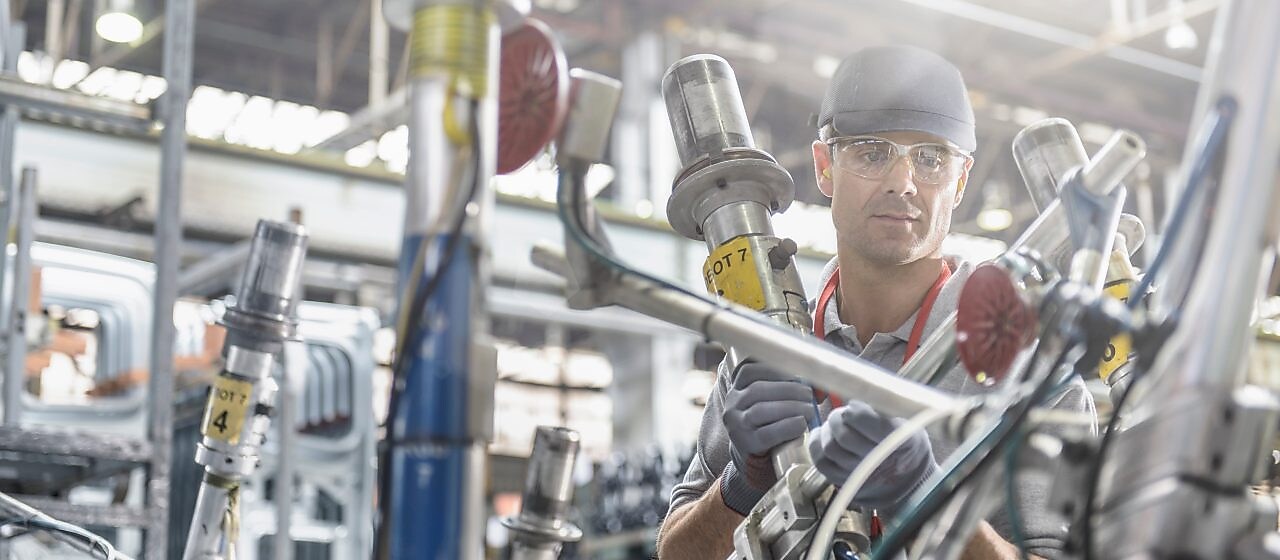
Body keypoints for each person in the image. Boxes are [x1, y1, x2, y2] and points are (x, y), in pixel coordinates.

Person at [655, 45, 1097, 559]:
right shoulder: (765, 345)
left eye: (931, 159)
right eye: (872, 152)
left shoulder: (1030, 363)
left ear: (960, 182)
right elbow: (674, 553)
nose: (902, 183)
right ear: (824, 166)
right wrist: (740, 484)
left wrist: (925, 495)